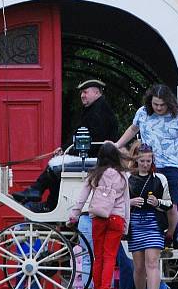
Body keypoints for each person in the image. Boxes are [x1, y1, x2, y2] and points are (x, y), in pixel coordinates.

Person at [13, 79, 119, 211]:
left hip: (96, 159)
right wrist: (64, 149)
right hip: (94, 156)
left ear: (97, 93)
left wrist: (68, 150)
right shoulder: (95, 109)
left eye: (85, 92)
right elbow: (81, 137)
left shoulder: (99, 112)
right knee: (56, 166)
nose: (82, 95)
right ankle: (46, 200)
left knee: (55, 165)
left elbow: (91, 140)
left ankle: (42, 197)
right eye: (81, 93)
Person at [114, 84, 178, 245]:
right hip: (148, 163)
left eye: (162, 104)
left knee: (171, 203)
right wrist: (117, 144)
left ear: (169, 103)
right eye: (155, 104)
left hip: (172, 166)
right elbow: (132, 129)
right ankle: (137, 232)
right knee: (144, 200)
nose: (159, 108)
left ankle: (170, 236)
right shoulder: (143, 112)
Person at [67, 142, 130, 289]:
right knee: (110, 256)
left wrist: (74, 215)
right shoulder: (123, 177)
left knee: (98, 257)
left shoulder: (94, 174)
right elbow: (127, 202)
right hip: (117, 218)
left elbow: (82, 198)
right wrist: (126, 226)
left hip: (99, 218)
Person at [126, 143, 172, 289]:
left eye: (148, 161)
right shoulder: (128, 178)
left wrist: (157, 202)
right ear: (136, 161)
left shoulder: (160, 179)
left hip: (154, 223)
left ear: (153, 161)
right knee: (138, 266)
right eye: (142, 161)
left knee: (152, 262)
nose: (145, 164)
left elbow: (169, 203)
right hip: (135, 224)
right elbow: (118, 202)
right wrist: (130, 202)